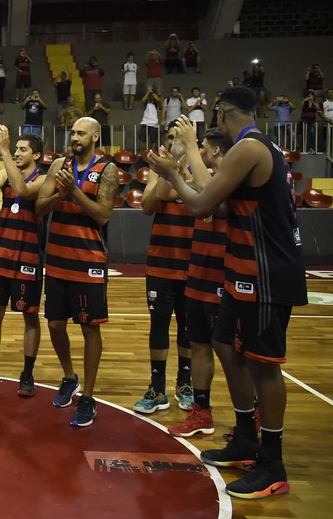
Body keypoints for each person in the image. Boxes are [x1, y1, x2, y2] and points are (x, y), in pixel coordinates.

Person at [148, 86, 307, 499]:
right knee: (224, 345)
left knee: (264, 366)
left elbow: (201, 206)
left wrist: (180, 162)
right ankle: (244, 437)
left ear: (221, 115)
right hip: (243, 270)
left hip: (267, 271)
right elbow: (218, 207)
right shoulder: (254, 149)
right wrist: (178, 174)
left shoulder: (250, 147)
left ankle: (271, 462)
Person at [36, 117, 118, 427]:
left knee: (89, 328)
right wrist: (60, 193)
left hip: (88, 261)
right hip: (57, 259)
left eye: (82, 133)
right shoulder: (59, 164)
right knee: (55, 324)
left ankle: (89, 397)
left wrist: (74, 193)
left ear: (95, 136)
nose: (75, 137)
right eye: (73, 133)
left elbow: (103, 216)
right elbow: (39, 208)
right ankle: (70, 377)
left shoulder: (107, 170)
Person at [0, 127, 45, 395]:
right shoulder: (4, 172)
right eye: (15, 149)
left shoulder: (44, 179)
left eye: (22, 149)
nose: (16, 153)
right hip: (0, 255)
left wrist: (3, 152)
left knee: (30, 317)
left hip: (27, 257)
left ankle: (27, 373)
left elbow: (22, 190)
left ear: (36, 154)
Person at [168, 124, 230, 438]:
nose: (201, 152)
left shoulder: (231, 180)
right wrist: (173, 170)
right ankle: (201, 413)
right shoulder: (204, 177)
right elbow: (189, 194)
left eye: (203, 147)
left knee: (234, 352)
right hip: (199, 272)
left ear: (216, 150)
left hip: (226, 276)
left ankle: (253, 414)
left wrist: (185, 158)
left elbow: (207, 196)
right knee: (200, 345)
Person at [133, 125, 194, 417]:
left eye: (178, 138)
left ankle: (185, 384)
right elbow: (147, 206)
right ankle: (157, 388)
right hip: (162, 262)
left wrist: (180, 169)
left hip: (194, 263)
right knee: (158, 324)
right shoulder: (158, 170)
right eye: (170, 138)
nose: (173, 143)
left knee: (189, 327)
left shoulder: (203, 168)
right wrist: (169, 171)